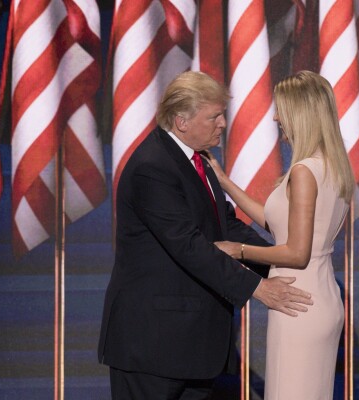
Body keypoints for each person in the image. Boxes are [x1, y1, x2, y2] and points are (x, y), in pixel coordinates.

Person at [98, 71, 313, 400]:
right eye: (214, 116)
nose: (223, 124)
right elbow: (189, 246)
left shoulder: (199, 162)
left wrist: (280, 264)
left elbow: (225, 226)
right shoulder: (152, 167)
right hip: (153, 346)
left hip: (190, 347)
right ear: (181, 121)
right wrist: (258, 288)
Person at [207, 70, 355, 400]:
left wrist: (237, 249)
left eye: (281, 109)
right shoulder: (331, 166)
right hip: (320, 297)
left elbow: (296, 252)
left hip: (297, 302)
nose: (275, 117)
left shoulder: (304, 172)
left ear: (300, 113)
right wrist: (225, 182)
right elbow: (276, 223)